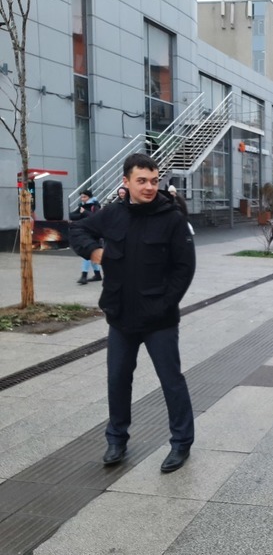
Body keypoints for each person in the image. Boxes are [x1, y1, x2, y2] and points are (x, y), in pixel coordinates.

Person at [69, 153, 196, 473]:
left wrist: (165, 304)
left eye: (154, 181)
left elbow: (185, 268)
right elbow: (77, 231)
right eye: (142, 181)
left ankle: (181, 443)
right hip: (121, 317)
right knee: (117, 379)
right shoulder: (112, 214)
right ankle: (116, 439)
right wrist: (95, 252)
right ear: (125, 182)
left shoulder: (172, 218)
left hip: (159, 320)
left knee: (171, 381)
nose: (150, 187)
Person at [69, 189, 102, 284]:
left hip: (93, 233)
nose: (82, 199)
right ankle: (97, 274)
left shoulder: (94, 206)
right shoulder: (82, 206)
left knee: (87, 253)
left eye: (84, 197)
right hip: (84, 232)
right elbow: (74, 215)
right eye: (81, 197)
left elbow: (96, 217)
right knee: (90, 254)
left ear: (89, 197)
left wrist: (84, 213)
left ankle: (84, 275)